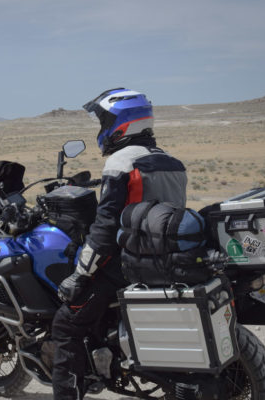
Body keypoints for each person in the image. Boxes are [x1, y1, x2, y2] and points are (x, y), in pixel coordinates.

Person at [51, 88, 188, 400]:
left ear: (121, 123)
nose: (102, 128)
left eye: (103, 121)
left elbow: (105, 228)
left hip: (127, 267)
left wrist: (80, 275)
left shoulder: (121, 162)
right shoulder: (172, 162)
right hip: (164, 261)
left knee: (65, 324)